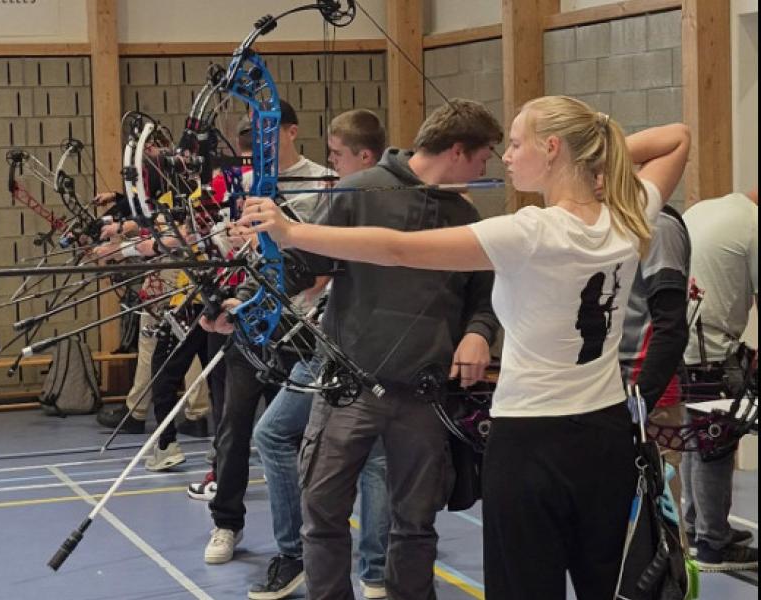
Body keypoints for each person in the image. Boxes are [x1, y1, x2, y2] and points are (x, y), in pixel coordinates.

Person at [241, 96, 690, 599]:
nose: (506, 157)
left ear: (552, 148)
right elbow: (677, 137)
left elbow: (394, 250)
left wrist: (290, 230)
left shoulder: (528, 232)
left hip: (531, 441)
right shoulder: (628, 216)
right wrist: (588, 159)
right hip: (605, 433)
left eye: (517, 144)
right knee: (603, 584)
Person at [236, 98, 503, 599]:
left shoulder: (462, 212)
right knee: (323, 513)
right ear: (459, 150)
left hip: (423, 393)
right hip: (349, 387)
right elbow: (309, 266)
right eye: (484, 155)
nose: (487, 166)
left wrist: (478, 332)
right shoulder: (359, 191)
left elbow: (482, 300)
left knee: (416, 524)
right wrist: (264, 246)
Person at [246, 108, 392, 600]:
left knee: (372, 458)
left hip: (367, 349)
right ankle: (298, 556)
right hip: (329, 342)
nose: (329, 162)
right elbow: (305, 267)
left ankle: (373, 572)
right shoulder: (343, 196)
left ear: (365, 156)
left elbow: (316, 268)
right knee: (274, 435)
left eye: (337, 155)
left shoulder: (374, 201)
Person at [196, 100, 335, 566]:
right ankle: (225, 523)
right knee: (234, 425)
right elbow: (222, 241)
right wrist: (228, 240)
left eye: (268, 134)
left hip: (304, 325)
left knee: (292, 435)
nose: (260, 147)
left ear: (291, 131)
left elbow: (327, 255)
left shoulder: (321, 181)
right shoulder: (248, 182)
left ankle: (303, 539)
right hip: (255, 319)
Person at [680, 186, 758, 571]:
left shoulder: (707, 208)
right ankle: (714, 543)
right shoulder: (755, 224)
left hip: (683, 347)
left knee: (698, 438)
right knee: (717, 443)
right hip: (712, 350)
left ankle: (698, 528)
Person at [618, 202, 691, 546]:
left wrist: (640, 401)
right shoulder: (612, 221)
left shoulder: (656, 225)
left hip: (647, 401)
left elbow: (671, 328)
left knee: (657, 534)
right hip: (609, 395)